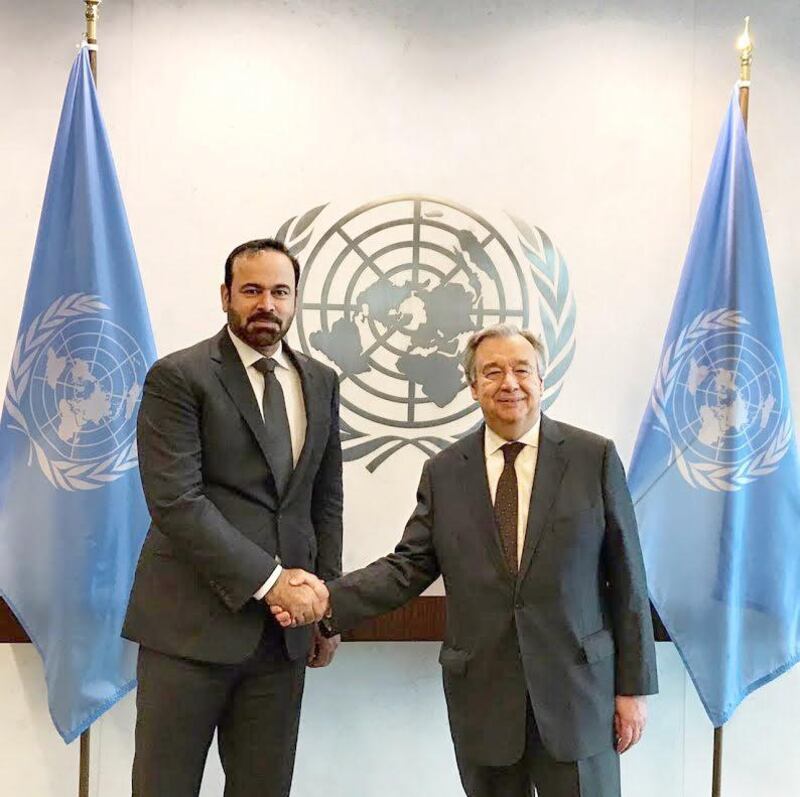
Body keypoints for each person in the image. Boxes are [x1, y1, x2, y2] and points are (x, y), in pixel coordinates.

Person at [275, 324, 658, 797]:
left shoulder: (592, 457)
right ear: (473, 387)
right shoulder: (445, 473)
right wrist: (326, 601)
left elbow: (628, 578)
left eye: (521, 370)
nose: (509, 383)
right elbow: (408, 566)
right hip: (485, 699)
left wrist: (633, 689)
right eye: (491, 372)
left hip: (579, 694)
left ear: (542, 379)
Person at [123, 238, 342, 797]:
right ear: (225, 296)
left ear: (295, 301)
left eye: (279, 291)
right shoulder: (178, 377)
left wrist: (326, 606)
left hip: (284, 638)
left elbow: (325, 499)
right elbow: (177, 502)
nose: (265, 304)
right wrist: (273, 583)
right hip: (188, 630)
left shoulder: (321, 381)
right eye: (251, 290)